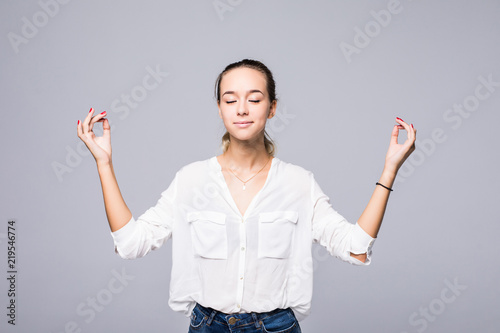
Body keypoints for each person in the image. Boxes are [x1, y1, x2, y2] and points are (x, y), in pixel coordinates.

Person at [77, 59, 416, 333]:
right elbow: (131, 243)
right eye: (230, 99)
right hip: (207, 326)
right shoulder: (191, 181)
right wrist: (104, 163)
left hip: (275, 327)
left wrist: (389, 170)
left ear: (272, 108)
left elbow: (355, 248)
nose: (242, 108)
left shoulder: (298, 183)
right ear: (220, 109)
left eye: (254, 99)